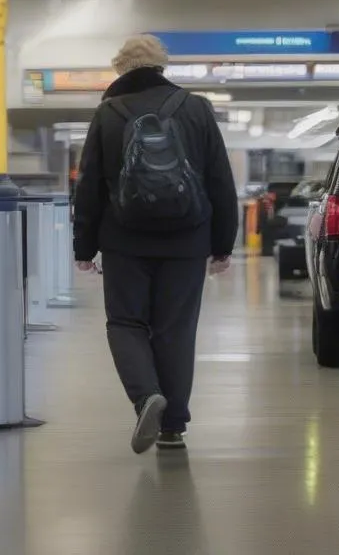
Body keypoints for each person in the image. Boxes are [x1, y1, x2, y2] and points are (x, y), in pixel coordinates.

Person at [73, 34, 239, 454]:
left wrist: (83, 247)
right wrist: (222, 244)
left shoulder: (109, 113)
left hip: (124, 239)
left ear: (120, 68)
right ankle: (173, 428)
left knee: (126, 323)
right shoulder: (196, 108)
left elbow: (89, 186)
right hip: (188, 238)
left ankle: (147, 396)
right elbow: (220, 179)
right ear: (161, 66)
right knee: (176, 330)